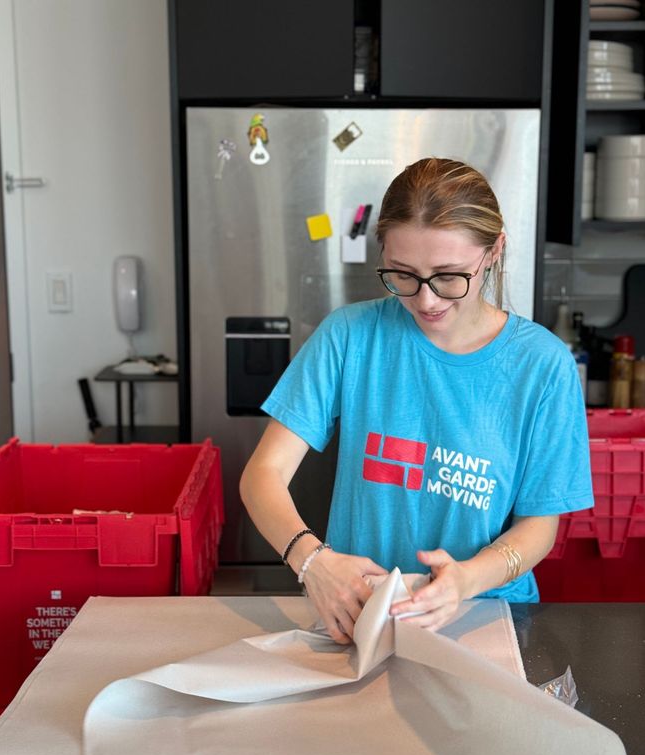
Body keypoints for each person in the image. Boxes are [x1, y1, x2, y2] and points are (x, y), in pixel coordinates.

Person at [240, 157, 593, 644]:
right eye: (403, 275)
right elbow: (263, 474)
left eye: (449, 276)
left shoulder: (543, 366)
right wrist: (312, 561)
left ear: (493, 252)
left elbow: (538, 527)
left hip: (484, 617)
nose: (426, 301)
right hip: (360, 615)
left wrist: (467, 580)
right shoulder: (350, 335)